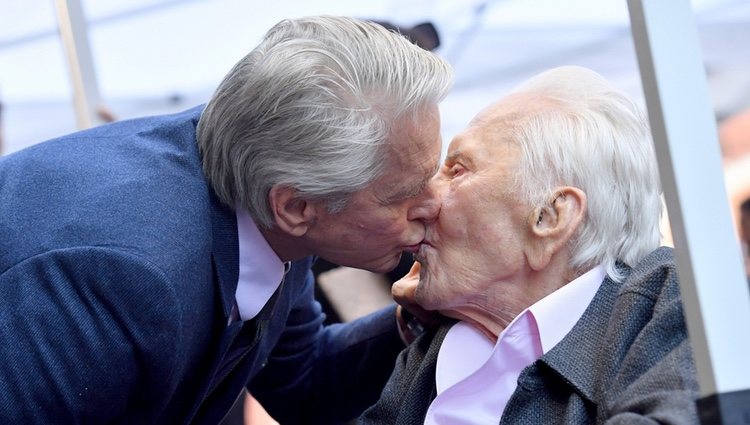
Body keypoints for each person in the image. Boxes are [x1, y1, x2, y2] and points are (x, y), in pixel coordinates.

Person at [0, 15, 453, 424]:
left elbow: (303, 384)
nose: (437, 205)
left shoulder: (264, 183)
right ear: (295, 208)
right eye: (406, 194)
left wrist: (425, 315)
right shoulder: (124, 277)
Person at [359, 66, 699, 424]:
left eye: (457, 170)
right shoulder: (439, 343)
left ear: (549, 218)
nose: (423, 200)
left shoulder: (669, 299)